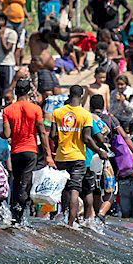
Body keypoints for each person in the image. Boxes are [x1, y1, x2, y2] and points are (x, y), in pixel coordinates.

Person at [51, 85, 109, 227]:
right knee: (75, 190)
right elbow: (87, 138)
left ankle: (65, 217)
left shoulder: (58, 112)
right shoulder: (85, 114)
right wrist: (99, 151)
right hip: (77, 157)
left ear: (69, 95)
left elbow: (52, 135)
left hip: (61, 157)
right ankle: (71, 223)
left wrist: (63, 141)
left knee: (65, 189)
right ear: (82, 95)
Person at [2, 77, 53, 222]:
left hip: (16, 151)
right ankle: (22, 216)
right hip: (31, 150)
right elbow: (42, 133)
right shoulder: (36, 109)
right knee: (26, 182)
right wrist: (48, 155)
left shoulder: (7, 110)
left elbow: (7, 135)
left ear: (16, 91)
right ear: (28, 91)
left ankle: (15, 216)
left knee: (17, 182)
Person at [0, 12, 18, 108]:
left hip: (7, 65)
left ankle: (8, 109)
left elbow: (7, 50)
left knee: (7, 90)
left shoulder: (11, 34)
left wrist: (2, 36)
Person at [0, 0, 28, 64]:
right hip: (8, 19)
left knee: (18, 41)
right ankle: (6, 59)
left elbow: (23, 6)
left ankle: (16, 61)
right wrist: (0, 14)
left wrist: (28, 16)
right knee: (8, 38)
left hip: (20, 20)